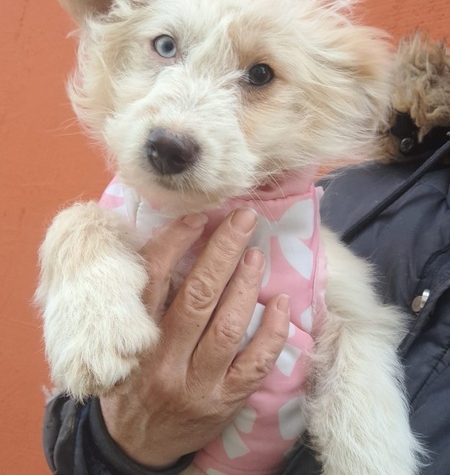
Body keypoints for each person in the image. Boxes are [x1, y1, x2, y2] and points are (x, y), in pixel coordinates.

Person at [42, 134, 450, 474]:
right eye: (163, 59)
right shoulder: (366, 187)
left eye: (258, 75)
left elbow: (357, 329)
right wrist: (117, 446)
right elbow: (86, 390)